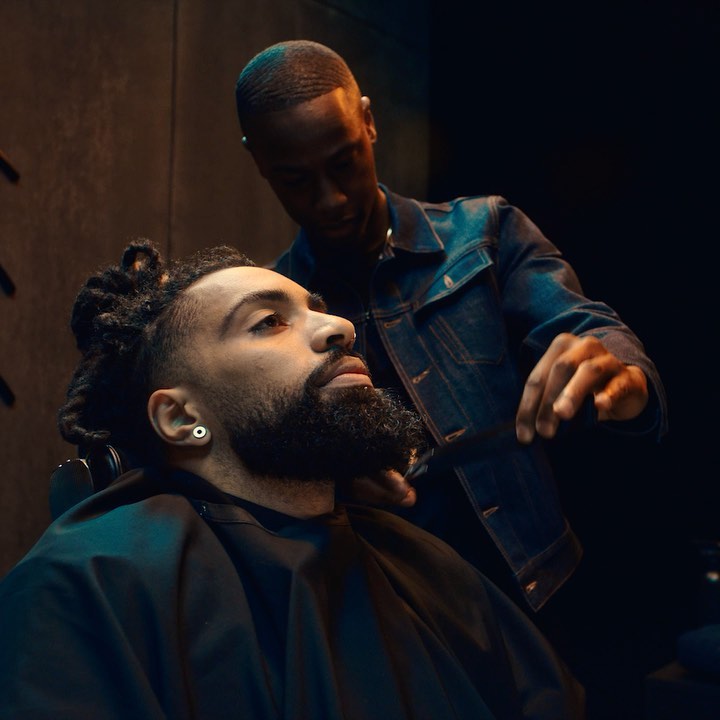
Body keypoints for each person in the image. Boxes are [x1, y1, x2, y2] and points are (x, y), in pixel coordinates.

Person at [0, 241, 585, 719]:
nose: (340, 328)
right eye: (269, 322)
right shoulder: (89, 586)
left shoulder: (426, 568)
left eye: (318, 308)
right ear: (181, 418)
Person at [233, 40, 668, 613]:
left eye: (344, 163)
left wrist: (620, 373)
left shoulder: (485, 230)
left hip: (542, 590)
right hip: (392, 613)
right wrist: (327, 481)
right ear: (258, 161)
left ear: (367, 122)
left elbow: (583, 323)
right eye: (295, 179)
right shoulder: (274, 312)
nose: (330, 199)